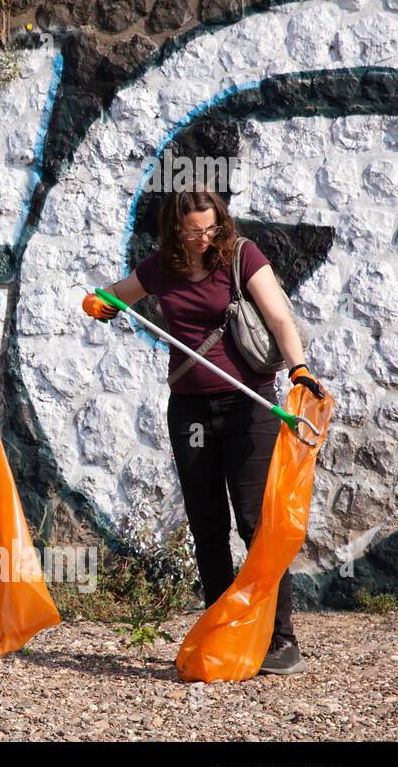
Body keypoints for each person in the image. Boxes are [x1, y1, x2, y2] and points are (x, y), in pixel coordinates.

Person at [81, 189, 326, 675]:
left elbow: (279, 316)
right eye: (193, 231)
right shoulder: (159, 268)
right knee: (207, 525)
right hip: (189, 410)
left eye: (210, 228)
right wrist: (99, 303)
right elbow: (115, 295)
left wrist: (299, 369)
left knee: (257, 525)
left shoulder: (241, 255)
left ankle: (279, 637)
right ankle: (222, 628)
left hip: (248, 405)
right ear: (175, 230)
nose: (203, 238)